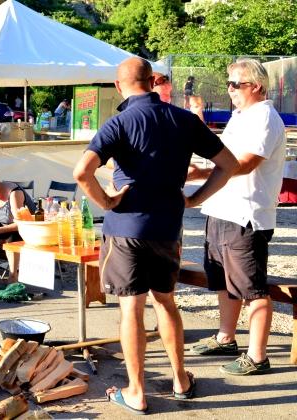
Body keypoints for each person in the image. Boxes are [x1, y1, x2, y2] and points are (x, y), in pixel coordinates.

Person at [72, 57, 238, 414]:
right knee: (165, 302)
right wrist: (195, 198)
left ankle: (137, 392)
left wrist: (107, 202)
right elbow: (229, 164)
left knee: (131, 309)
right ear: (151, 81)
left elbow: (81, 172)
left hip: (126, 229)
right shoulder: (184, 120)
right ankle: (180, 380)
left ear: (119, 86)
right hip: (167, 229)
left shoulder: (118, 122)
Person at [186, 59, 286, 376]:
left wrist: (199, 179)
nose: (229, 90)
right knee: (223, 283)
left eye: (235, 84)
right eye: (228, 83)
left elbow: (244, 164)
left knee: (252, 288)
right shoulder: (241, 116)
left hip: (246, 215)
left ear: (256, 86)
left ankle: (257, 356)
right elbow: (225, 160)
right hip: (222, 209)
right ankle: (225, 338)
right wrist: (200, 173)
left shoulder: (264, 117)